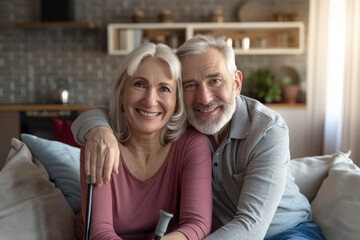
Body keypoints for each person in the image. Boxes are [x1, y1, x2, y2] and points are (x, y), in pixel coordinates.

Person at [72, 36, 325, 240]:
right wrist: (97, 129)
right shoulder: (185, 125)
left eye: (215, 81)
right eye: (190, 85)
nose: (204, 98)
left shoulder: (267, 130)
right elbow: (117, 112)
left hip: (287, 231)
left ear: (236, 83)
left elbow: (251, 226)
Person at [75, 42, 212, 240]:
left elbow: (197, 223)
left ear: (177, 101)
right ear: (122, 93)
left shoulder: (191, 145)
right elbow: (99, 231)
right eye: (139, 84)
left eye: (164, 89)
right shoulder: (101, 143)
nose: (150, 100)